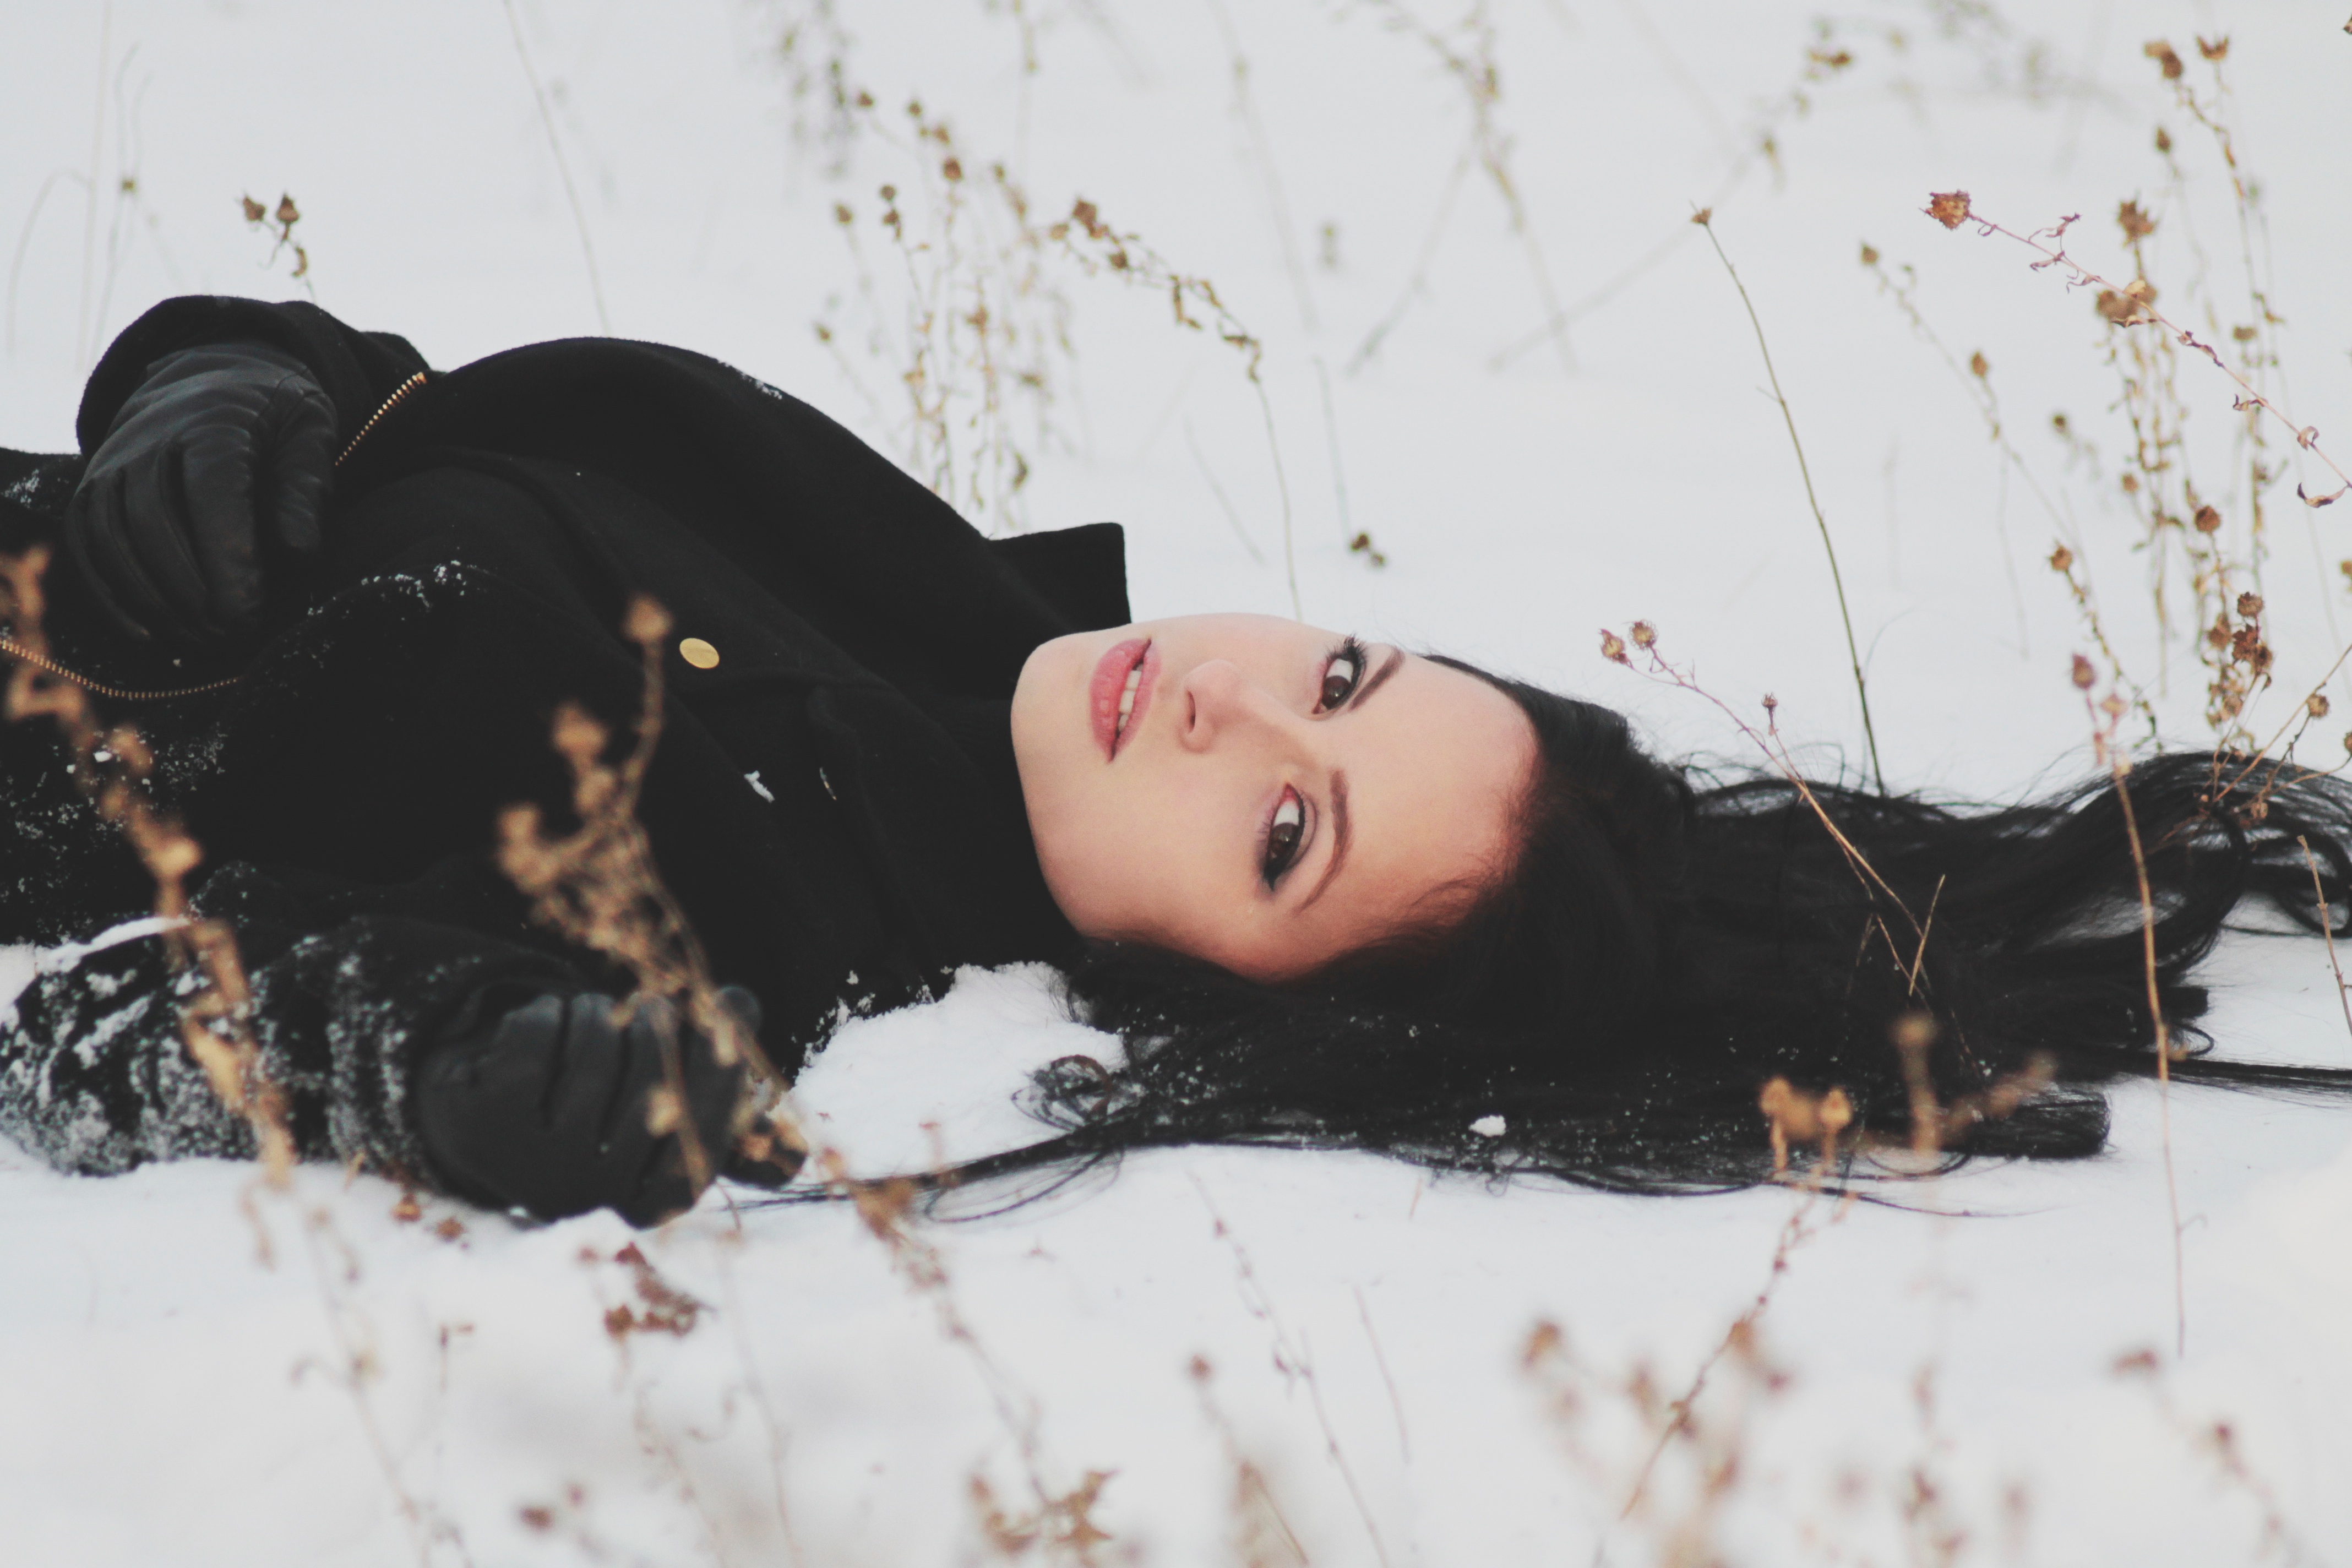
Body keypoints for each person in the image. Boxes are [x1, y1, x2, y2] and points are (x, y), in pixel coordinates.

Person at [2, 297, 2347, 1227]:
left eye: (1287, 831)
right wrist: (221, 389)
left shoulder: (777, 922)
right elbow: (384, 402)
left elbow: (104, 1034)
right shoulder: (902, 580)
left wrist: (426, 1065)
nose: (1224, 702)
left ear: (1220, 981)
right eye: (1341, 672)